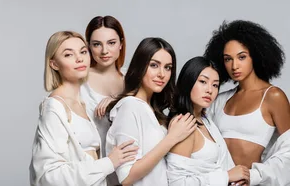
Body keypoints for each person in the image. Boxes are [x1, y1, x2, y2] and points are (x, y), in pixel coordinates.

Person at [29, 31, 138, 186]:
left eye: (83, 51)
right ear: (54, 64)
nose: (79, 58)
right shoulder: (54, 107)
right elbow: (49, 175)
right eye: (68, 55)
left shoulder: (82, 104)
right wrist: (109, 162)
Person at [205, 20, 290, 185]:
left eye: (242, 57)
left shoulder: (273, 97)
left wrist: (254, 176)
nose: (234, 65)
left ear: (255, 56)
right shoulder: (221, 99)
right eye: (228, 59)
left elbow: (289, 151)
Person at [105, 37, 196, 185]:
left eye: (168, 67)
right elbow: (126, 177)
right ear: (140, 66)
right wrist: (172, 138)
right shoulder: (130, 107)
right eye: (154, 65)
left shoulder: (153, 111)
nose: (162, 74)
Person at [166, 56, 249, 186]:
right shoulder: (183, 125)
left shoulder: (206, 120)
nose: (210, 90)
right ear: (188, 81)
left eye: (215, 85)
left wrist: (236, 180)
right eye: (203, 82)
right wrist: (226, 176)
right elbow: (176, 182)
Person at [81, 15, 127, 185]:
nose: (104, 51)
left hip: (128, 170)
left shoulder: (132, 79)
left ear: (121, 44)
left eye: (111, 43)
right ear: (88, 46)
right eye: (97, 44)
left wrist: (118, 98)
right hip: (92, 171)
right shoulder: (79, 80)